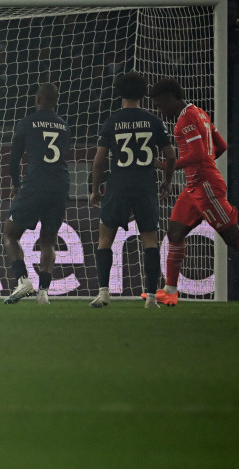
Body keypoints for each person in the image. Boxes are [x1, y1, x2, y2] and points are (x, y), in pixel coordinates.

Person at [148, 78, 239, 306]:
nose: (159, 110)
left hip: (206, 187)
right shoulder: (200, 113)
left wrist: (169, 165)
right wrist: (202, 165)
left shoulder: (185, 120)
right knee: (174, 234)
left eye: (158, 104)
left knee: (234, 239)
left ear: (168, 97)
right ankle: (170, 291)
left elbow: (198, 155)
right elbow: (221, 146)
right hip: (194, 186)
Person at [89, 72, 177, 308]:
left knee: (105, 238)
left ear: (119, 93)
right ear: (144, 94)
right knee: (150, 240)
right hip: (145, 185)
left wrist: (95, 189)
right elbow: (171, 155)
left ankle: (104, 292)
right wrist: (167, 181)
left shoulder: (112, 121)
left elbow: (99, 159)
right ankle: (150, 297)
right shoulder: (153, 121)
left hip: (118, 185)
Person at [3, 83, 70, 305]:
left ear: (36, 99)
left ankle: (22, 280)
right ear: (56, 102)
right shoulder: (63, 126)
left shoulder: (26, 123)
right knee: (48, 240)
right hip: (60, 185)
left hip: (35, 183)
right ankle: (43, 293)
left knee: (10, 233)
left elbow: (14, 159)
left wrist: (15, 183)